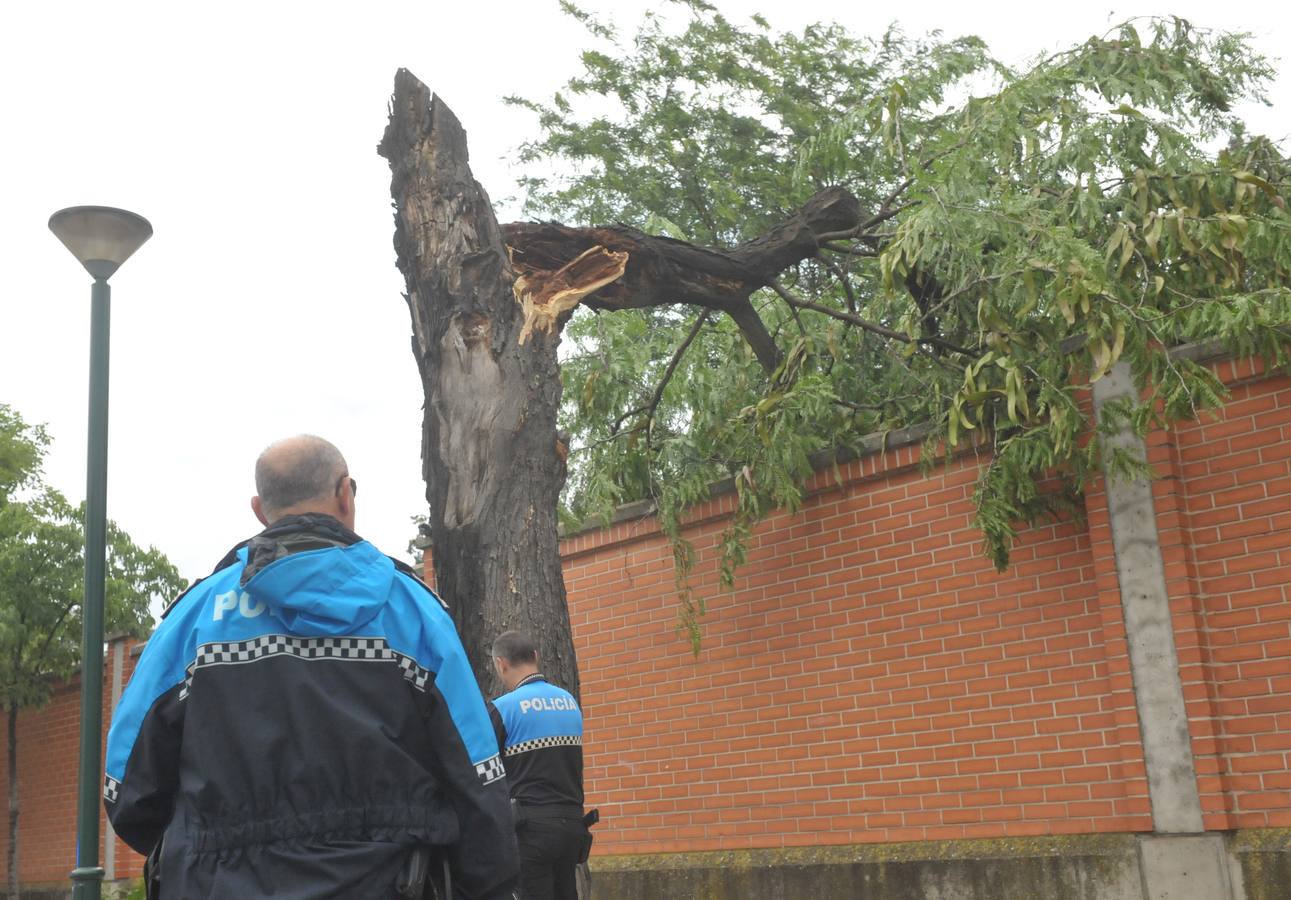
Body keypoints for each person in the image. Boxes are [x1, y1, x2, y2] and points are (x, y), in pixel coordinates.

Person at [103, 435, 520, 900]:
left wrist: (204, 850)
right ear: (346, 493)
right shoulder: (415, 612)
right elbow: (479, 774)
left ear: (261, 509)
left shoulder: (192, 622)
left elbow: (125, 789)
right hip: (393, 882)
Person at [488, 631, 588, 900]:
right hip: (572, 826)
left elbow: (485, 771)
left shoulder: (503, 708)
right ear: (535, 656)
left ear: (501, 663)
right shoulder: (569, 702)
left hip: (531, 830)